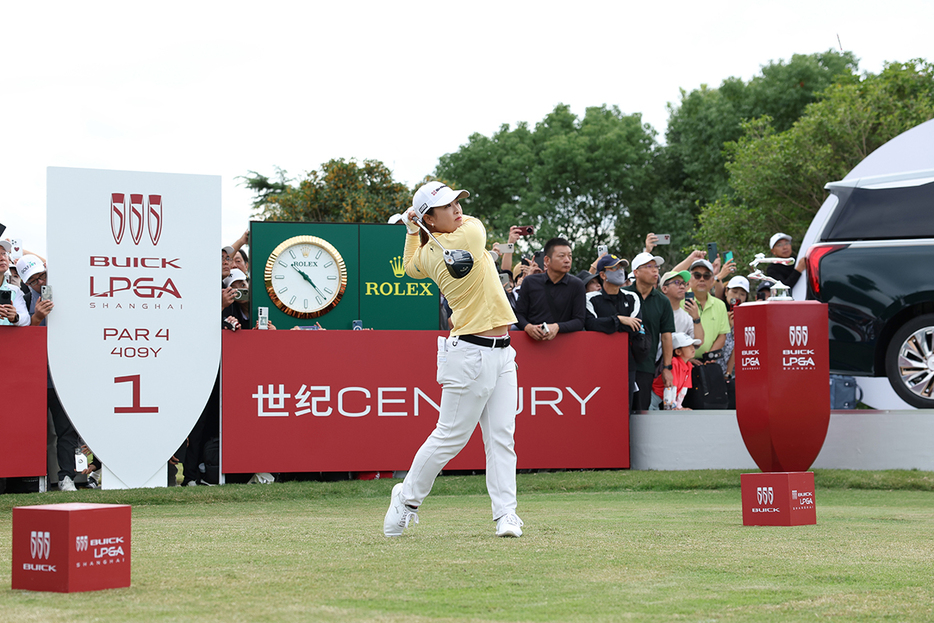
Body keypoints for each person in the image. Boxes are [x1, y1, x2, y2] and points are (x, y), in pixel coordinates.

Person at [384, 181, 522, 538]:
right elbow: (470, 228)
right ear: (432, 216)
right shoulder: (471, 235)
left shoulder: (430, 255)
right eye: (447, 206)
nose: (458, 210)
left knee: (501, 437)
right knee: (450, 437)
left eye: (459, 203)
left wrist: (415, 229)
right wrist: (420, 227)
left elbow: (411, 265)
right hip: (469, 352)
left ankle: (506, 514)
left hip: (504, 352)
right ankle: (406, 499)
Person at [15, 254, 83, 491]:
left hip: (63, 375)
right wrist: (37, 318)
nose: (40, 282)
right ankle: (32, 479)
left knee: (66, 429)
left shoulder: (66, 293)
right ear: (26, 283)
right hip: (34, 377)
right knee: (33, 429)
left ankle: (66, 477)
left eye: (43, 275)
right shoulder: (22, 301)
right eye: (34, 280)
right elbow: (21, 339)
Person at [584, 254, 644, 410]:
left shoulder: (632, 297)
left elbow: (635, 328)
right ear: (603, 275)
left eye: (622, 267)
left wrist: (609, 324)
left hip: (626, 364)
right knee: (599, 410)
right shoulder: (590, 298)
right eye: (614, 268)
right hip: (597, 364)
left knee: (624, 410)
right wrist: (620, 320)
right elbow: (590, 325)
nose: (620, 271)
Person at [625, 252, 675, 411]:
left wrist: (667, 368)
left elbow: (667, 337)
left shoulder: (663, 301)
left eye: (656, 267)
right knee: (619, 411)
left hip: (646, 366)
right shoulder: (623, 295)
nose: (655, 271)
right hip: (620, 364)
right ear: (636, 272)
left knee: (641, 413)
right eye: (649, 266)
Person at [514, 237, 585, 341]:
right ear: (547, 260)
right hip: (531, 343)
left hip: (565, 344)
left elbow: (579, 320)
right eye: (561, 256)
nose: (567, 260)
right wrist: (528, 327)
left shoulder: (577, 285)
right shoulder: (530, 282)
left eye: (570, 256)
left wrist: (557, 327)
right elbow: (518, 314)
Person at [684, 259, 730, 361]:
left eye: (706, 276)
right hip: (683, 362)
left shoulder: (720, 305)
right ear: (689, 278)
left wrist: (709, 356)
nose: (701, 279)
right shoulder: (679, 302)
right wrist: (687, 358)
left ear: (712, 279)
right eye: (697, 275)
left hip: (708, 362)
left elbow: (722, 335)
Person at [659, 269, 704, 360]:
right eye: (677, 282)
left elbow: (699, 341)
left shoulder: (686, 316)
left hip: (673, 367)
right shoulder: (656, 311)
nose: (682, 286)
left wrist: (696, 318)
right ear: (664, 289)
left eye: (684, 283)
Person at [651, 333, 699, 410]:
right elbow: (672, 386)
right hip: (654, 396)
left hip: (664, 397)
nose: (692, 348)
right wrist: (672, 405)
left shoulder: (689, 365)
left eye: (692, 345)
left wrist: (679, 405)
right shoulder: (674, 362)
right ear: (678, 352)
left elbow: (684, 388)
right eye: (688, 346)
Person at [0, 241, 30, 327]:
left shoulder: (14, 290)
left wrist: (15, 317)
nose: (2, 258)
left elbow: (26, 319)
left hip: (7, 339)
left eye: (4, 253)